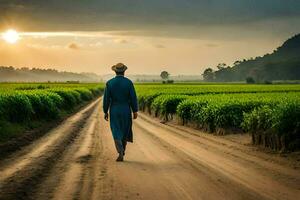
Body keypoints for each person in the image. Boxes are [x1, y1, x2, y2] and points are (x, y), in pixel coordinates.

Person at [103, 63, 138, 162]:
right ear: (124, 71)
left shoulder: (109, 83)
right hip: (126, 109)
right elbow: (133, 98)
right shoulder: (129, 83)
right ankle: (123, 149)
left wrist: (105, 111)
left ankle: (120, 151)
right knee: (125, 130)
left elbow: (106, 99)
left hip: (114, 110)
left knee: (116, 131)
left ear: (115, 71)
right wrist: (135, 110)